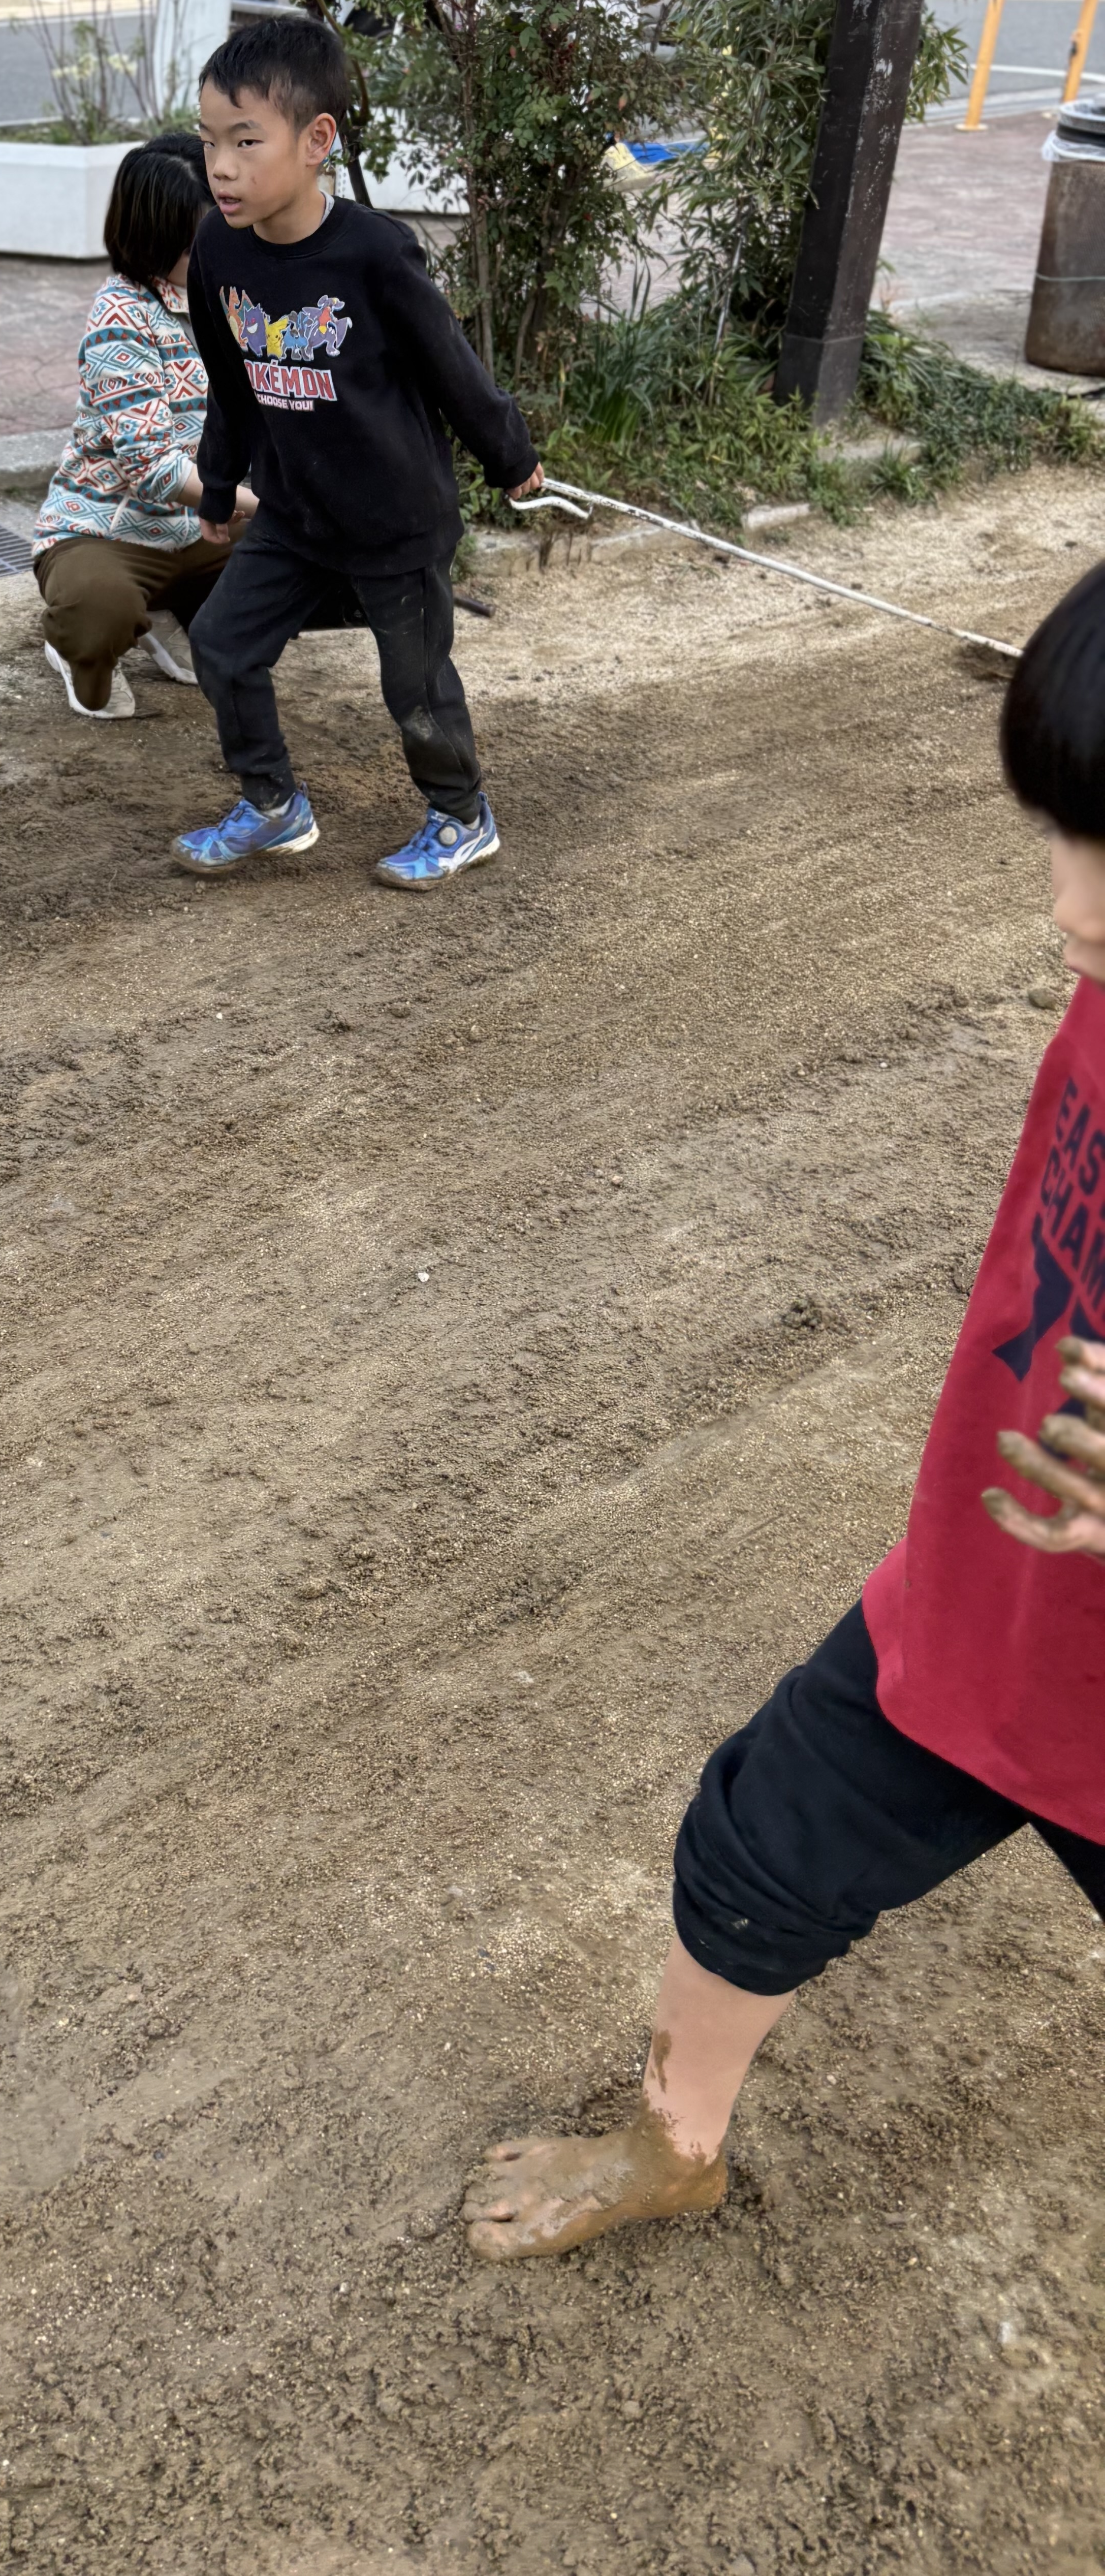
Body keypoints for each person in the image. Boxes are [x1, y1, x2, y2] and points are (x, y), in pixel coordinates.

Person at [462, 559, 1105, 2263]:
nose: (1069, 912)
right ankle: (675, 2140)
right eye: (1062, 835)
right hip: (982, 1608)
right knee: (755, 1844)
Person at [171, 18, 545, 886]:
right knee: (221, 645)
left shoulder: (373, 253)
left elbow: (450, 365)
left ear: (315, 141)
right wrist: (218, 484)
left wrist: (508, 454)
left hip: (394, 519)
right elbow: (230, 381)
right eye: (208, 142)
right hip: (295, 511)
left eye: (244, 141)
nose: (219, 166)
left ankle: (460, 815)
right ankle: (271, 805)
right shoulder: (218, 253)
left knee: (412, 685)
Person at [31, 131, 258, 722]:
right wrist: (257, 504)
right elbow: (151, 465)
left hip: (202, 525)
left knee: (301, 564)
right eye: (200, 234)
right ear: (155, 238)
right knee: (98, 609)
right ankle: (77, 646)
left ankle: (175, 618)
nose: (219, 241)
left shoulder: (233, 294)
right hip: (109, 528)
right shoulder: (121, 314)